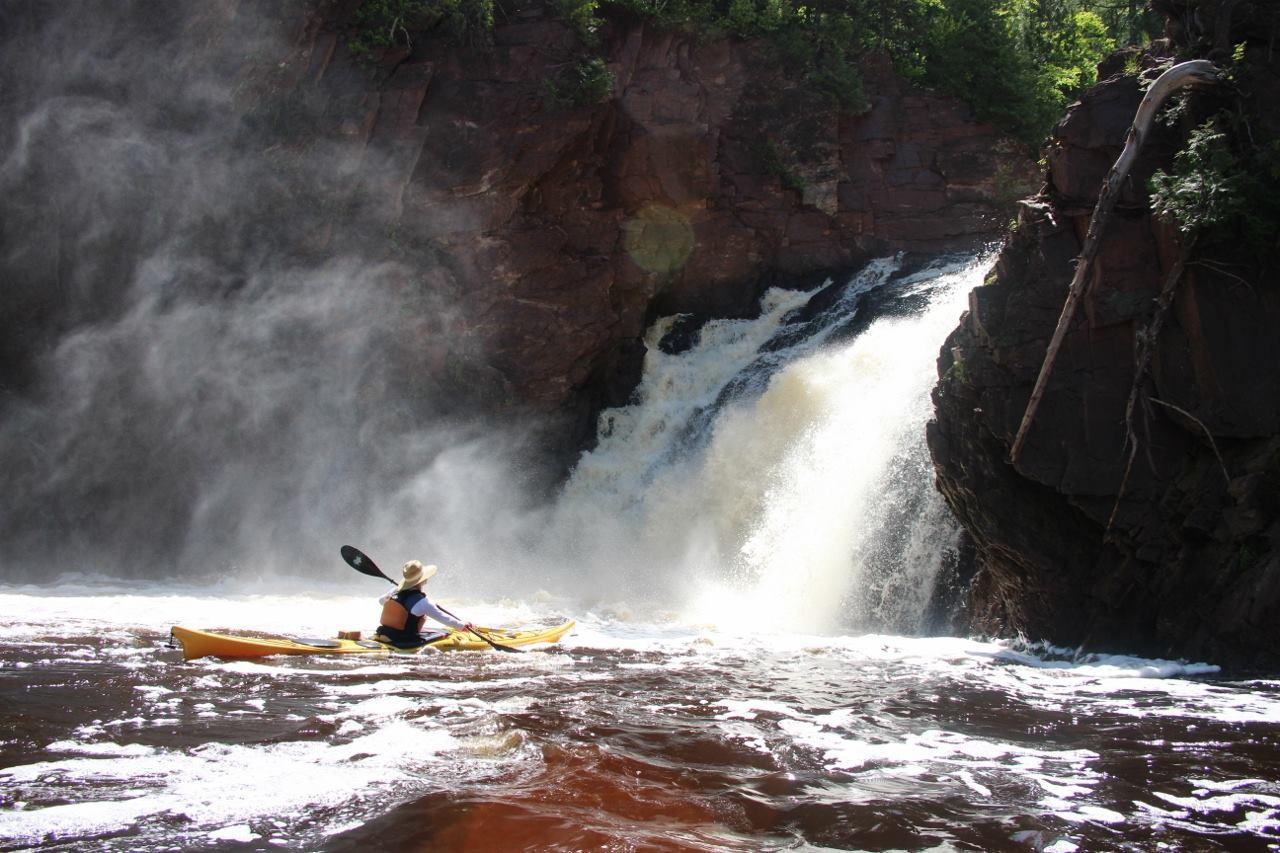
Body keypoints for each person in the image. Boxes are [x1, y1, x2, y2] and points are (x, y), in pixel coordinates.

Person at [375, 560, 475, 648]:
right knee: (444, 633)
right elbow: (443, 618)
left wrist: (400, 593)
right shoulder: (423, 602)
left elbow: (381, 601)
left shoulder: (394, 591)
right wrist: (462, 625)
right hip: (403, 640)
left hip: (384, 634)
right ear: (424, 579)